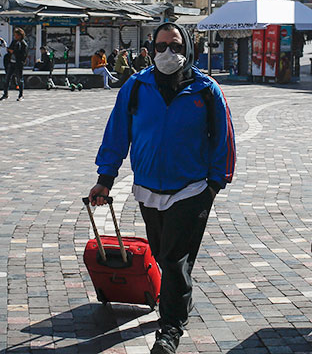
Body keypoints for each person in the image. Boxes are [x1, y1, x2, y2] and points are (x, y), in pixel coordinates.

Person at [89, 22, 236, 354]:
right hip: (148, 189)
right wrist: (105, 179)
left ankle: (169, 329)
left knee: (172, 258)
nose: (169, 53)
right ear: (151, 49)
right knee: (163, 255)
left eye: (176, 46)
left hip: (192, 188)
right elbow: (117, 133)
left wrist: (214, 184)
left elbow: (223, 139)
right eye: (161, 46)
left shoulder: (205, 89)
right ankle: (180, 299)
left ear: (187, 50)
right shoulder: (136, 87)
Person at [0, 27, 27, 101]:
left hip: (18, 63)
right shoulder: (14, 42)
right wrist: (9, 50)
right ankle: (5, 94)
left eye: (16, 35)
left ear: (20, 35)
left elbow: (23, 55)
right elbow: (10, 50)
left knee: (19, 79)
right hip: (11, 62)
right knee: (7, 78)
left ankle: (21, 95)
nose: (15, 37)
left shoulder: (23, 44)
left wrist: (13, 52)